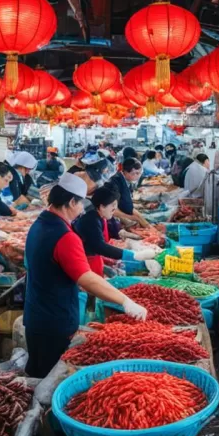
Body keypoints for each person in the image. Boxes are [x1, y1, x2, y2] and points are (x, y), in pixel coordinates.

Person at [24, 173, 148, 377]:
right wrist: (125, 301)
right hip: (55, 320)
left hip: (36, 315)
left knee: (38, 373)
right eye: (81, 204)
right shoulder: (64, 236)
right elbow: (87, 279)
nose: (82, 209)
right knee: (49, 379)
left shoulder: (39, 225)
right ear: (71, 202)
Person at [74, 187, 156, 276]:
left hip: (94, 259)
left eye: (115, 205)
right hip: (84, 263)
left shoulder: (100, 216)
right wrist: (131, 255)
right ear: (102, 206)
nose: (115, 208)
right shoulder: (91, 220)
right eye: (112, 205)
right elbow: (99, 246)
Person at [105, 158, 151, 229]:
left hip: (119, 210)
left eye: (139, 173)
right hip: (110, 215)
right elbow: (112, 209)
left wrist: (145, 223)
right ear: (125, 172)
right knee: (135, 223)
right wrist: (132, 217)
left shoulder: (127, 179)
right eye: (134, 173)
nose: (137, 176)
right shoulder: (114, 183)